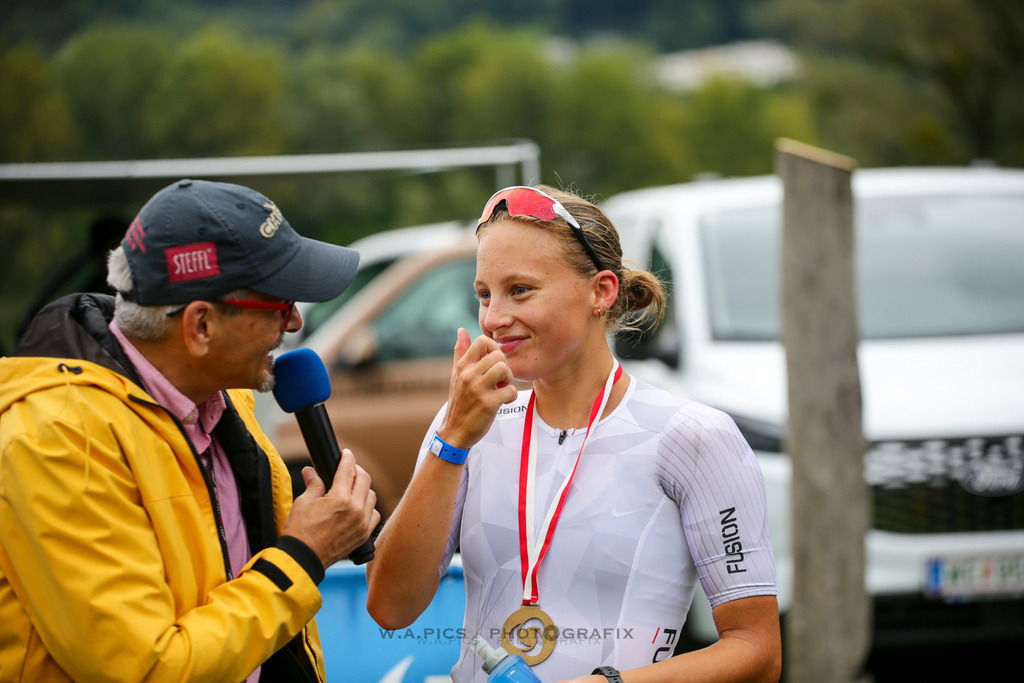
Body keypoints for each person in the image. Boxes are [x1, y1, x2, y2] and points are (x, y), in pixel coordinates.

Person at [366, 185, 782, 682]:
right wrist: (451, 440)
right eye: (484, 294)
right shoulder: (465, 428)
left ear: (601, 291)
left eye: (520, 290)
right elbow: (390, 608)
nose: (494, 319)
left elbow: (757, 651)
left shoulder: (692, 436)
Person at [0, 179, 380, 682]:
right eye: (279, 305)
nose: (293, 323)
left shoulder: (223, 402)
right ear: (200, 326)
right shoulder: (56, 438)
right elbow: (149, 669)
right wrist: (303, 555)